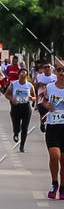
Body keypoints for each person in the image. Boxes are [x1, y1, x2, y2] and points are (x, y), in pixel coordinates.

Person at [41, 60, 64, 199]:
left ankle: (63, 187)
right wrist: (47, 105)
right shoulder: (50, 87)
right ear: (55, 72)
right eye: (59, 70)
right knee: (54, 156)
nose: (62, 73)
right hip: (53, 126)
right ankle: (54, 182)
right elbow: (43, 100)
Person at [5, 66, 35, 152]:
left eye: (25, 73)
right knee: (16, 124)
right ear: (19, 75)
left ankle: (22, 145)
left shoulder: (30, 85)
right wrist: (12, 99)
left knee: (25, 127)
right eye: (21, 73)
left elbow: (34, 97)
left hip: (26, 107)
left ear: (27, 76)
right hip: (16, 106)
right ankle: (16, 133)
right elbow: (7, 94)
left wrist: (31, 98)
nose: (23, 74)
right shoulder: (14, 84)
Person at [36, 62, 57, 132]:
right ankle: (42, 123)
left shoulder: (55, 77)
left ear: (51, 68)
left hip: (52, 98)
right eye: (45, 67)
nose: (47, 68)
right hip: (41, 98)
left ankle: (50, 127)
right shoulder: (39, 77)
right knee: (43, 114)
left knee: (51, 114)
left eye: (48, 67)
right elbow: (35, 87)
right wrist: (39, 84)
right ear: (43, 69)